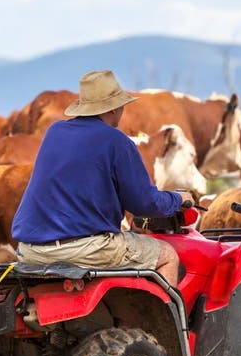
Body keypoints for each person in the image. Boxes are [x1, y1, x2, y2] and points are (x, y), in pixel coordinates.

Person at [12, 69, 194, 285]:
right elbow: (144, 203)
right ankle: (167, 318)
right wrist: (178, 199)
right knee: (167, 256)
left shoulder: (55, 132)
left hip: (31, 250)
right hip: (84, 250)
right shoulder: (117, 141)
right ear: (115, 108)